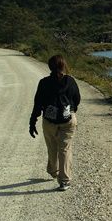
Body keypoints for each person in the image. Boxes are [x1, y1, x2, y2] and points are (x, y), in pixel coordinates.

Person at [29, 54, 81, 191]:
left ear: (49, 67)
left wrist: (32, 122)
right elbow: (77, 99)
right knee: (65, 149)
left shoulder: (44, 83)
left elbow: (38, 104)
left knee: (52, 147)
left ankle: (54, 171)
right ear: (63, 66)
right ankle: (64, 181)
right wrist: (71, 110)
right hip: (68, 120)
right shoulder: (70, 81)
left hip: (49, 121)